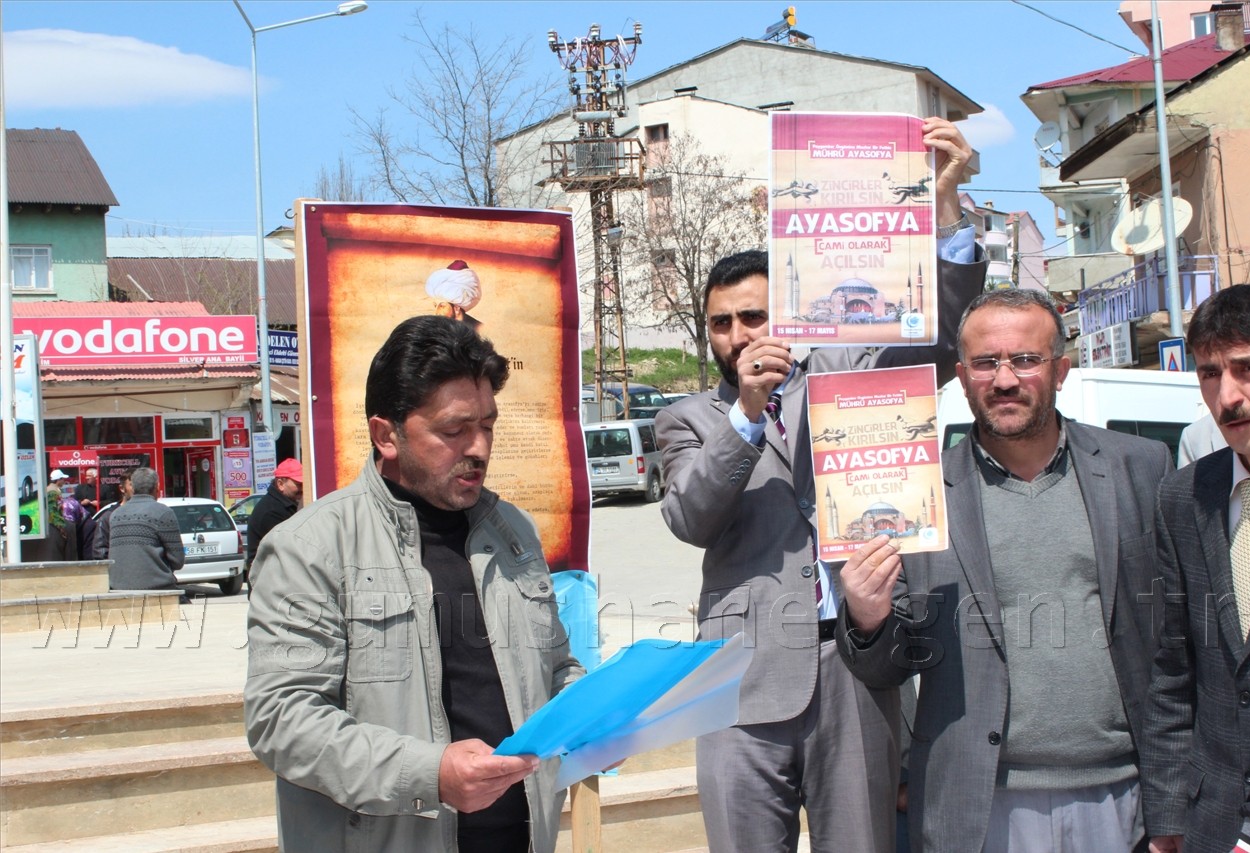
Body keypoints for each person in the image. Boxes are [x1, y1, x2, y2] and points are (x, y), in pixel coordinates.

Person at [656, 118, 986, 853]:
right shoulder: (688, 417)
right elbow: (691, 515)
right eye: (722, 324)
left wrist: (946, 208)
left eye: (755, 315)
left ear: (789, 312)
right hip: (739, 678)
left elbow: (942, 333)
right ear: (707, 335)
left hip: (857, 665)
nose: (741, 334)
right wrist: (745, 414)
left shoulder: (851, 375)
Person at [837, 288, 1173, 853]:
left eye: (1025, 359)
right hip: (979, 803)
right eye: (986, 362)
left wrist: (1172, 802)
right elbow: (883, 671)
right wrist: (867, 619)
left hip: (1122, 795)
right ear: (962, 376)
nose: (1005, 379)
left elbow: (1174, 652)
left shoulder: (1140, 468)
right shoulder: (914, 495)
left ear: (1060, 369)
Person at [244, 315, 582, 853]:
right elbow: (283, 720)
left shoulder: (512, 532)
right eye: (454, 430)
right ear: (387, 435)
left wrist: (599, 718)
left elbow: (555, 667)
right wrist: (429, 773)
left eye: (488, 425)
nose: (479, 448)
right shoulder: (310, 547)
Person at [1142, 284, 1250, 853]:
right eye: (1208, 374)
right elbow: (1172, 671)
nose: (1227, 397)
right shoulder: (1183, 495)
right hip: (1209, 823)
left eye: (1249, 368)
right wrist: (1168, 817)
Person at [106, 467, 185, 594]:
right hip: (157, 587)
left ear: (133, 487)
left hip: (118, 588)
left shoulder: (115, 515)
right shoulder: (163, 512)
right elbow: (177, 560)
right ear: (157, 487)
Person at [244, 457, 303, 591]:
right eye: (298, 484)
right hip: (268, 587)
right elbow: (289, 548)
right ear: (281, 484)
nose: (302, 489)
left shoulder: (285, 506)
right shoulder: (271, 511)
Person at [90, 471, 135, 560]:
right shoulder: (108, 517)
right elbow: (100, 552)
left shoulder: (150, 514)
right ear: (122, 488)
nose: (136, 489)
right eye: (132, 485)